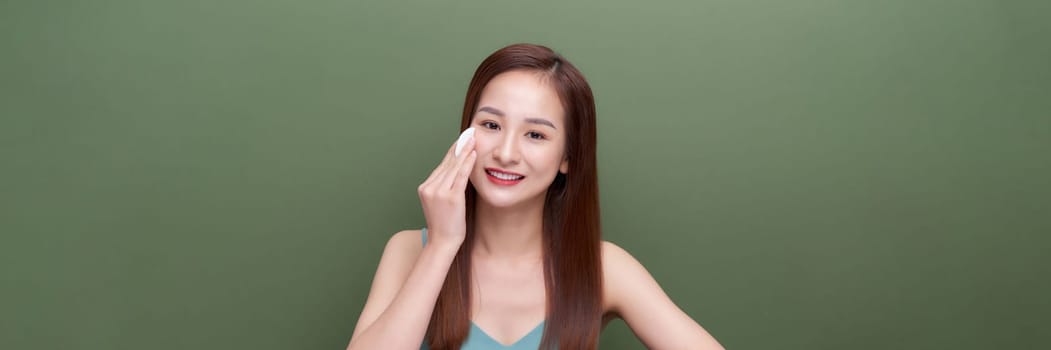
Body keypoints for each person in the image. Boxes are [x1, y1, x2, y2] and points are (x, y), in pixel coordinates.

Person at [347, 43, 723, 350]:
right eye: (491, 125)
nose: (506, 152)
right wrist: (443, 246)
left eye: (536, 135)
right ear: (465, 135)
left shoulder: (604, 267)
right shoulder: (409, 252)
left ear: (567, 159)